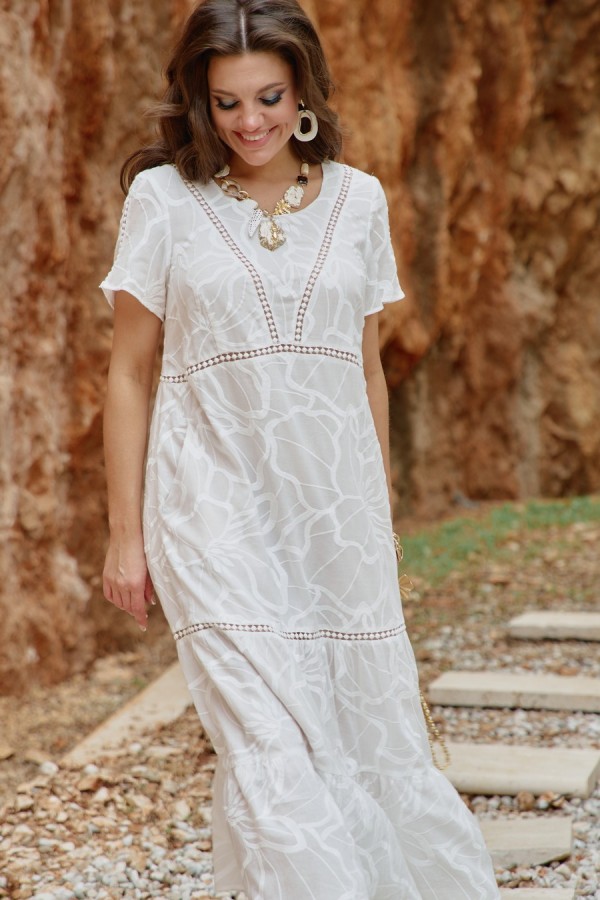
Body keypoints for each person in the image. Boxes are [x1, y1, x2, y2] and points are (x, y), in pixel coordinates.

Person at [100, 1, 500, 897]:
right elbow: (127, 373)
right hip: (210, 512)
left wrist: (376, 514)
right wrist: (125, 536)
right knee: (266, 741)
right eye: (227, 103)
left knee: (366, 738)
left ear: (304, 91)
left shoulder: (360, 201)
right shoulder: (162, 201)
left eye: (269, 97)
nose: (249, 122)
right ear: (200, 102)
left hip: (335, 523)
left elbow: (367, 372)